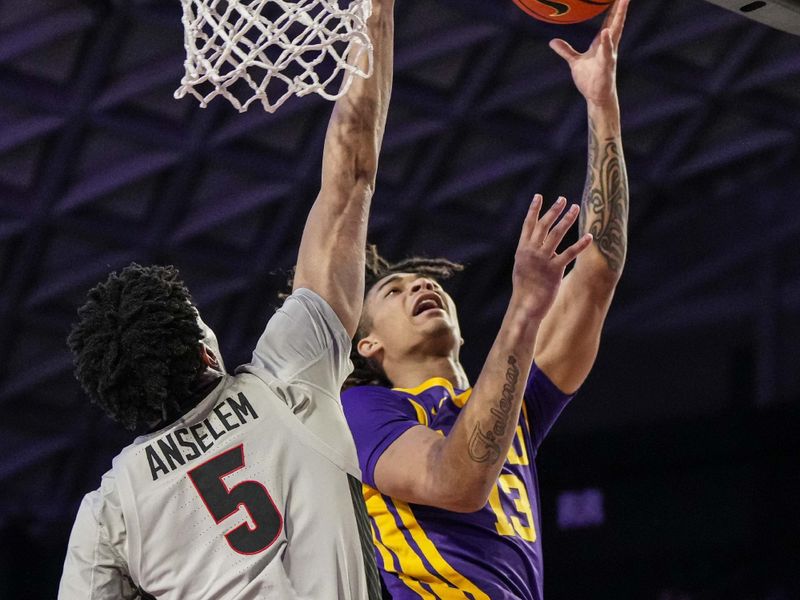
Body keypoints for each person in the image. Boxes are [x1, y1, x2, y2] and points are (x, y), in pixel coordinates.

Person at [57, 0, 395, 596]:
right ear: (207, 354)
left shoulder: (113, 509)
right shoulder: (288, 373)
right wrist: (377, 11)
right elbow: (349, 181)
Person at [339, 1, 630, 598]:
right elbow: (455, 483)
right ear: (369, 344)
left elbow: (597, 271)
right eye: (393, 291)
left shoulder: (511, 404)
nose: (420, 285)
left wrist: (602, 106)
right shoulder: (365, 413)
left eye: (427, 282)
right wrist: (525, 307)